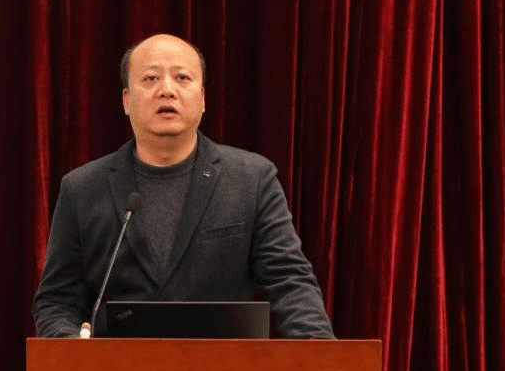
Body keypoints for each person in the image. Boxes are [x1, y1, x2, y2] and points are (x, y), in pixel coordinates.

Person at [32, 33, 334, 339]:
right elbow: (56, 301)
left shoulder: (252, 179)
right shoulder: (82, 189)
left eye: (182, 78)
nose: (167, 90)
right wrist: (71, 344)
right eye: (150, 78)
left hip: (224, 365)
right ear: (126, 101)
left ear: (202, 99)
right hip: (118, 368)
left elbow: (290, 282)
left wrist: (322, 356)